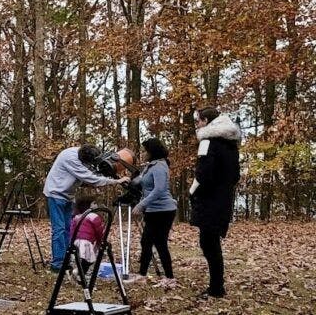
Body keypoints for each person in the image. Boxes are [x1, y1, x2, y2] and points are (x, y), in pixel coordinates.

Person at [43, 145, 128, 272]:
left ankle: (65, 260)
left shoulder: (79, 153)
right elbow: (91, 179)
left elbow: (90, 173)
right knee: (59, 229)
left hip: (67, 195)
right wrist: (116, 181)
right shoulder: (71, 159)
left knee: (68, 229)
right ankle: (58, 264)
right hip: (56, 194)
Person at [189, 107, 241, 299]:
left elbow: (203, 173)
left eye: (199, 121)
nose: (197, 125)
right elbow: (235, 175)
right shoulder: (231, 145)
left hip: (209, 200)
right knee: (212, 242)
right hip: (224, 198)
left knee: (208, 243)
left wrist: (192, 191)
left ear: (206, 121)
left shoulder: (207, 142)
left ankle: (216, 288)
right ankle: (217, 285)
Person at [124, 138, 177, 288]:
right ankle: (142, 275)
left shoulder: (160, 166)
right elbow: (141, 181)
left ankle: (170, 278)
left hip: (163, 210)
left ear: (152, 152)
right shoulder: (151, 166)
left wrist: (141, 204)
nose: (143, 153)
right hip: (153, 210)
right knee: (146, 242)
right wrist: (127, 180)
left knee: (160, 244)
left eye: (145, 150)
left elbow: (159, 190)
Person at [69, 195, 105, 276]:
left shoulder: (76, 217)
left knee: (84, 258)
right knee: (89, 260)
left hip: (76, 241)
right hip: (85, 242)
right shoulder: (94, 216)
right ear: (89, 206)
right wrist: (100, 240)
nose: (96, 205)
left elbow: (72, 229)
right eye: (94, 203)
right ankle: (79, 275)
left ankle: (78, 272)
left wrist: (72, 240)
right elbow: (99, 230)